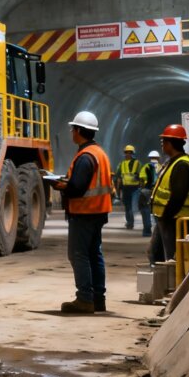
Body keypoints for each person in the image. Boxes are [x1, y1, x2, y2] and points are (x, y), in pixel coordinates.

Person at [54, 110, 112, 315]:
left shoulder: (85, 156)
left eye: (73, 129)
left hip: (85, 213)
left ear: (78, 131)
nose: (71, 133)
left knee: (78, 255)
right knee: (95, 254)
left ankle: (84, 299)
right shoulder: (99, 153)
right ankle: (98, 299)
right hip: (98, 212)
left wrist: (60, 185)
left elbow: (77, 187)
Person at [149, 124, 189, 264]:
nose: (162, 145)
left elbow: (178, 197)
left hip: (175, 220)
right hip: (169, 218)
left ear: (169, 144)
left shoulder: (182, 165)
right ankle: (162, 284)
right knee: (156, 254)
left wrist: (167, 216)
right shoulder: (176, 162)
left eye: (163, 142)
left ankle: (173, 284)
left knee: (172, 258)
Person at [114, 144, 141, 230]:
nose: (128, 154)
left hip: (135, 188)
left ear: (133, 153)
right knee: (127, 207)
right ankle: (129, 222)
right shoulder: (121, 164)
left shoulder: (137, 163)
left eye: (129, 152)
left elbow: (141, 175)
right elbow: (118, 177)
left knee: (132, 207)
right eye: (126, 152)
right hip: (125, 188)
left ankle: (130, 222)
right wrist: (118, 190)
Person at [138, 150, 160, 238]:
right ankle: (159, 232)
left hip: (147, 190)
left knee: (145, 210)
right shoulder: (161, 167)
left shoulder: (145, 166)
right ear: (158, 158)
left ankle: (147, 231)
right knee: (157, 211)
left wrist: (142, 189)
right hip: (157, 191)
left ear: (149, 158)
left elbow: (142, 179)